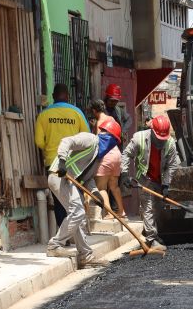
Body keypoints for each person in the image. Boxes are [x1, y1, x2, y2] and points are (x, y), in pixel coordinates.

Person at [46, 117, 122, 265]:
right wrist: (62, 161)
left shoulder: (97, 157)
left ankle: (85, 256)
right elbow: (67, 141)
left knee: (79, 218)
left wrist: (95, 194)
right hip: (59, 176)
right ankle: (54, 245)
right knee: (77, 211)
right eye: (113, 140)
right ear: (107, 136)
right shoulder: (90, 139)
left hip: (70, 181)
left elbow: (88, 179)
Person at [120, 114, 179, 252]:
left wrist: (166, 184)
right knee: (148, 207)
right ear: (152, 131)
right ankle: (152, 239)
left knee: (157, 208)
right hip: (144, 178)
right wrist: (124, 174)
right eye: (158, 139)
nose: (160, 143)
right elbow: (126, 154)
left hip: (159, 179)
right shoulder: (139, 138)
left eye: (163, 140)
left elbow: (172, 165)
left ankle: (149, 232)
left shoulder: (170, 143)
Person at [35, 84, 90, 227]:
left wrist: (50, 149)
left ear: (53, 96)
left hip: (53, 163)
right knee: (75, 197)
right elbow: (87, 137)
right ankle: (78, 230)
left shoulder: (44, 115)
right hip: (75, 163)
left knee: (59, 200)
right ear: (68, 96)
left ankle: (63, 232)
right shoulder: (77, 113)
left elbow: (39, 142)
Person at [90, 100, 127, 221]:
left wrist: (93, 128)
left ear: (94, 111)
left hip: (106, 155)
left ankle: (110, 213)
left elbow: (98, 141)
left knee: (101, 188)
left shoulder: (99, 122)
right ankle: (121, 211)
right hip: (116, 154)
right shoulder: (111, 118)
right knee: (114, 186)